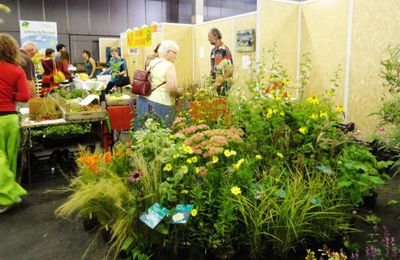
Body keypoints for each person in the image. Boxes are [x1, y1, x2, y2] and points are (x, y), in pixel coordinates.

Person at [0, 34, 30, 213]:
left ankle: (7, 195)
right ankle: (8, 196)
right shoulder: (17, 70)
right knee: (10, 159)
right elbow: (25, 97)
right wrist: (12, 96)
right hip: (10, 117)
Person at [135, 40, 182, 129]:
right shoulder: (169, 66)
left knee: (144, 133)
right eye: (175, 53)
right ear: (168, 52)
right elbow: (172, 88)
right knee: (161, 133)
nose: (176, 57)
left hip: (145, 100)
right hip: (160, 103)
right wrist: (180, 91)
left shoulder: (153, 62)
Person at [208, 28, 233, 96]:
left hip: (224, 85)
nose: (208, 39)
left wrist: (218, 84)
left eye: (209, 36)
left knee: (222, 104)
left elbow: (229, 70)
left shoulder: (224, 50)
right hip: (215, 85)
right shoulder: (213, 51)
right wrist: (210, 82)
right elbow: (213, 68)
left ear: (216, 36)